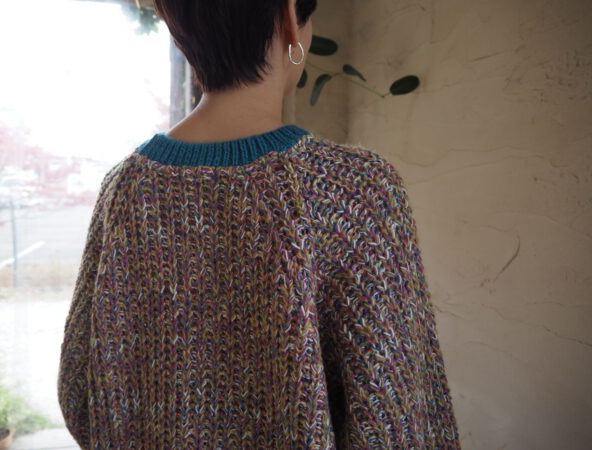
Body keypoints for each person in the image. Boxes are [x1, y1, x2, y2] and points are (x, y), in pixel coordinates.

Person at [57, 0, 461, 448]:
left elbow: (78, 390)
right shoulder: (358, 189)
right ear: (290, 16)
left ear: (178, 28)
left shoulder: (123, 190)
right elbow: (397, 420)